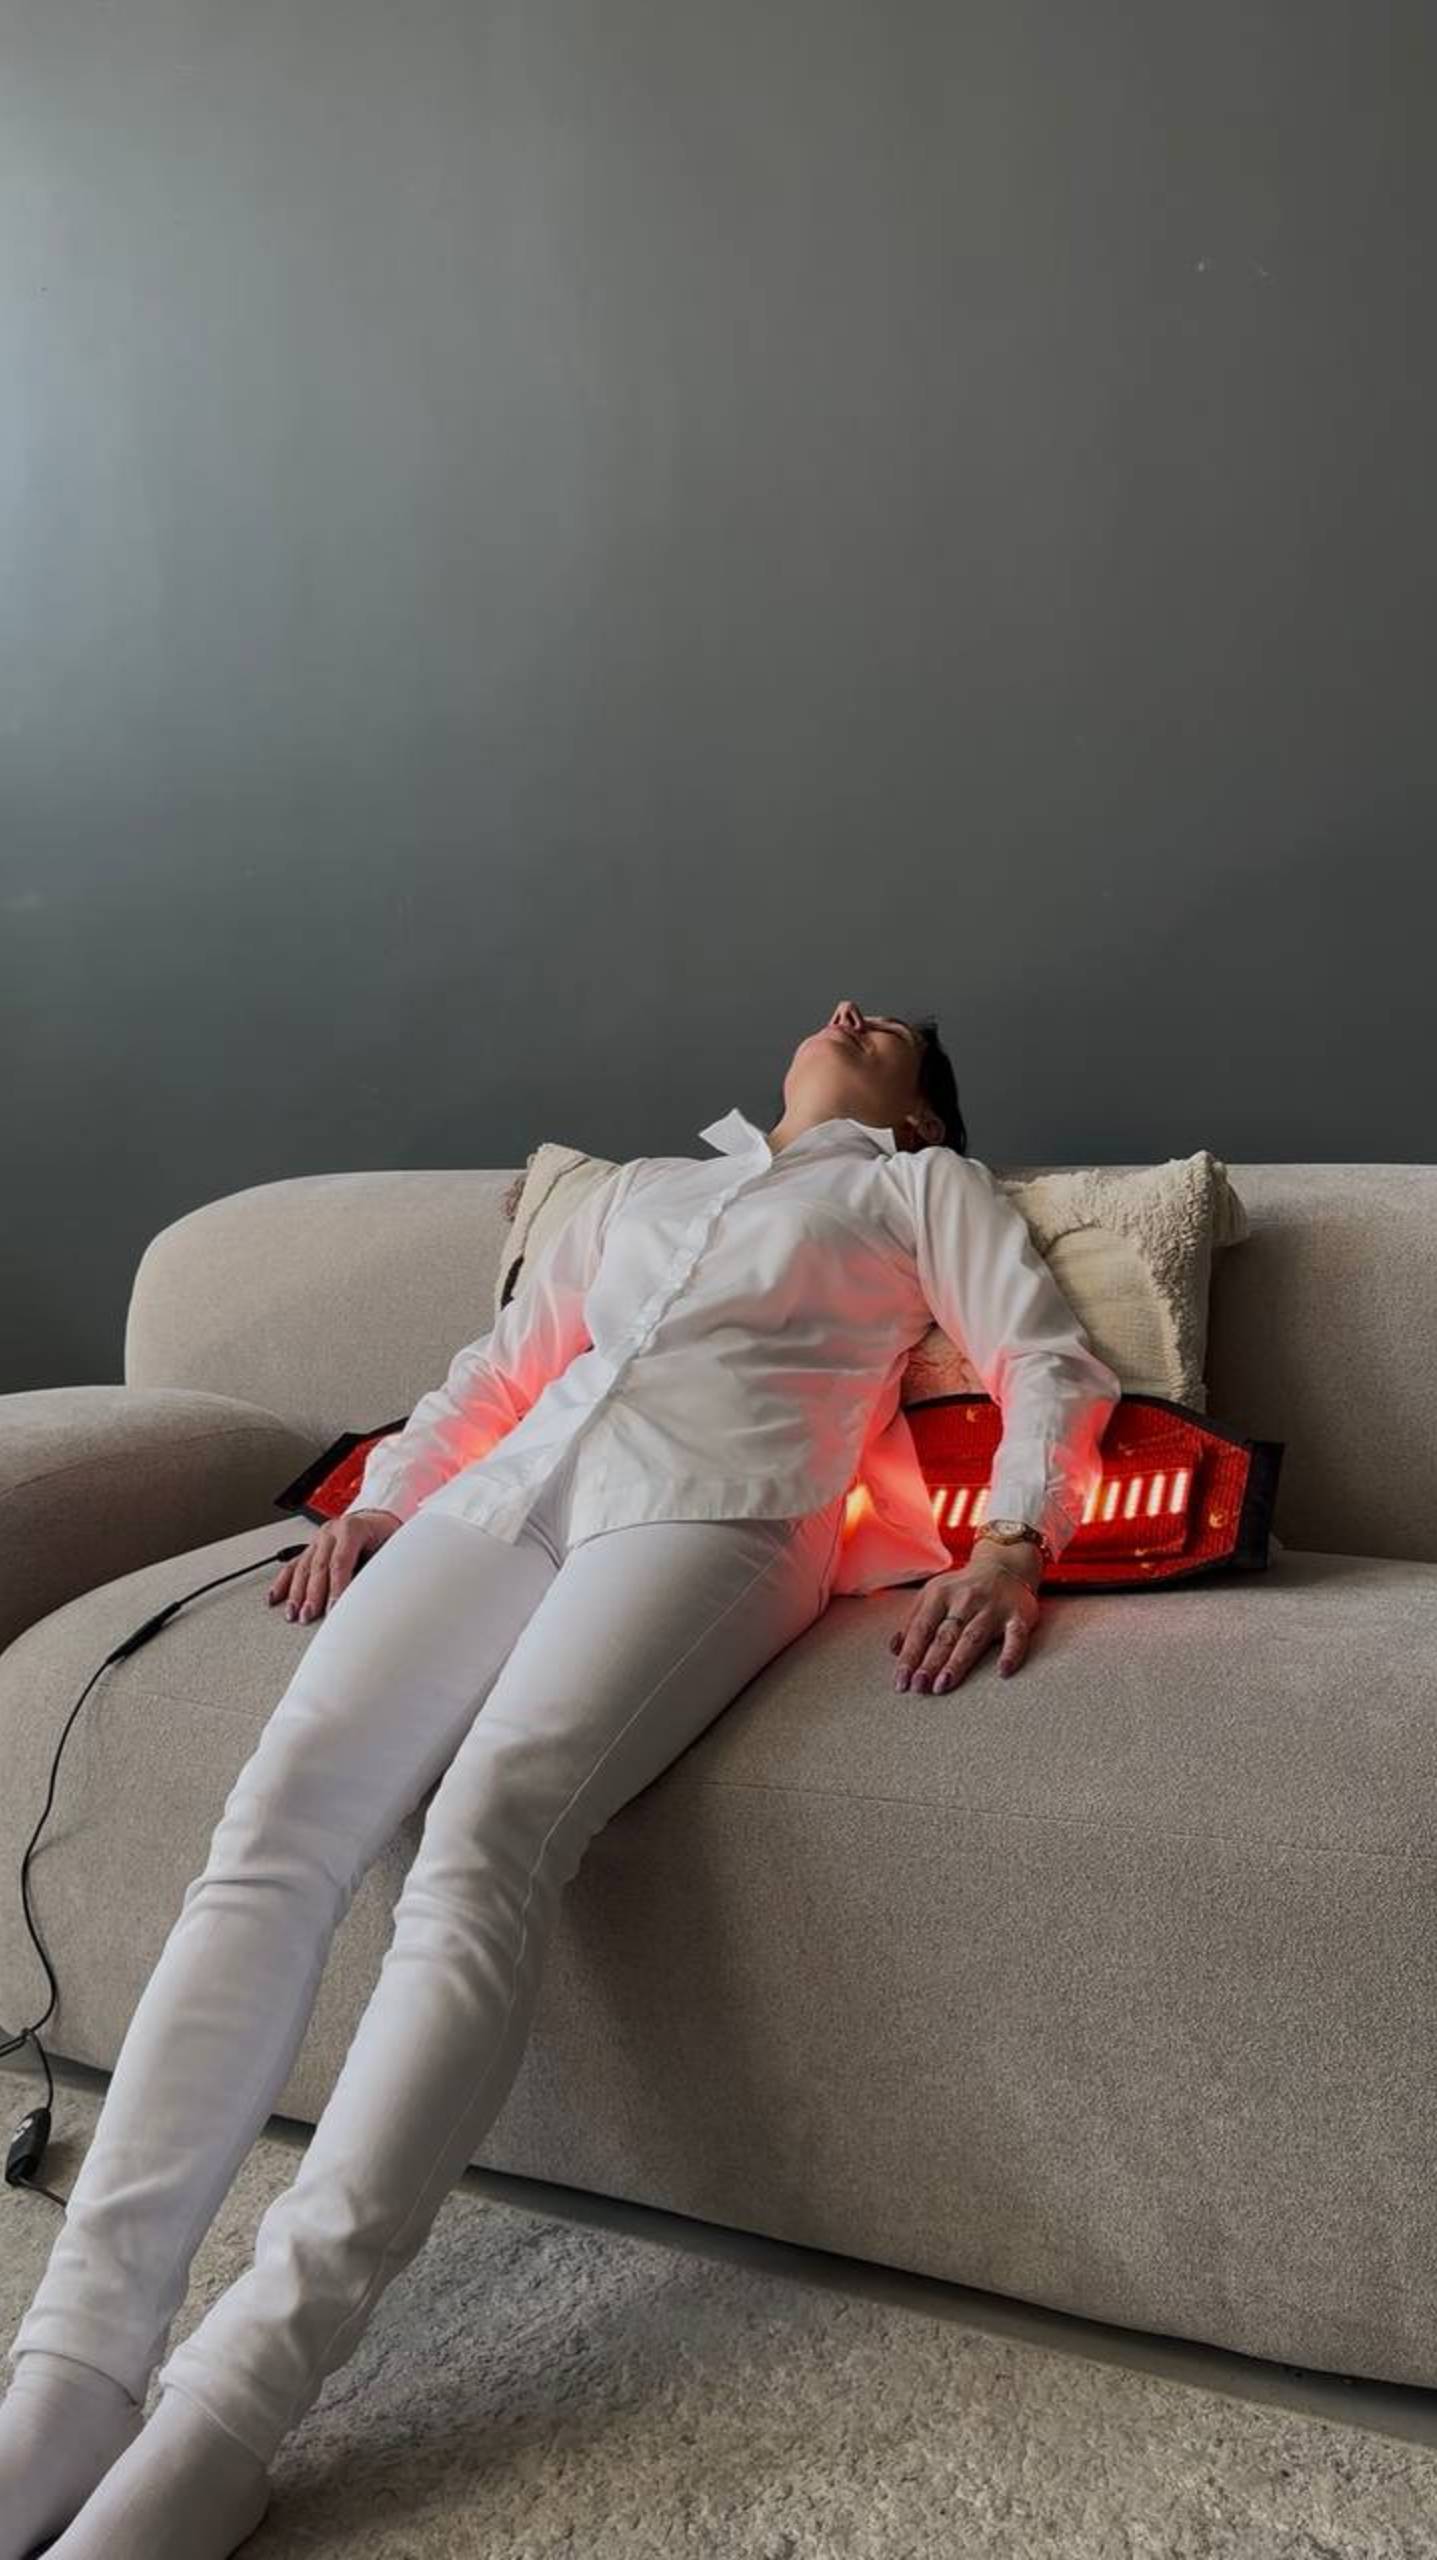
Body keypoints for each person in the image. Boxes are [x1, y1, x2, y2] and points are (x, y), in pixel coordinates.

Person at [0, 999, 1119, 2560]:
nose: (849, 1012)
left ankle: (230, 2409)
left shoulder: (917, 1186)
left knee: (484, 1838)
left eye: (890, 1030)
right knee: (273, 1821)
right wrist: (391, 1496)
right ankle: (70, 2369)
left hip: (724, 1499)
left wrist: (1011, 1538)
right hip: (510, 1495)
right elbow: (503, 1364)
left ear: (922, 1111)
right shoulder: (643, 1189)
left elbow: (1043, 1356)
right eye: (843, 1007)